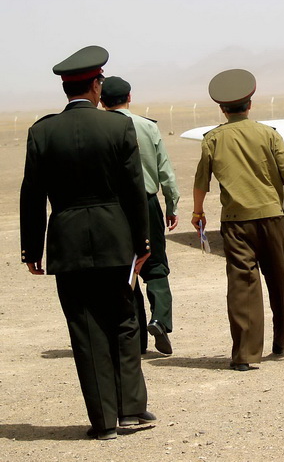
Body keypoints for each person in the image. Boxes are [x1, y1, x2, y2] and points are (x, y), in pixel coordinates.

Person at [20, 45, 156, 440]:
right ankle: (131, 409)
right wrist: (143, 242)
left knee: (85, 327)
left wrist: (32, 248)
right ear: (97, 86)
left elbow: (32, 195)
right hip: (116, 238)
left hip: (67, 242)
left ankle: (104, 421)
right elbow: (134, 190)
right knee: (126, 320)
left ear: (66, 88)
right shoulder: (117, 127)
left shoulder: (42, 132)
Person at [191, 68, 284, 371]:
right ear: (250, 105)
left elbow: (201, 182)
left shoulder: (213, 139)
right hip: (271, 216)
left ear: (222, 109)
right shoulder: (268, 134)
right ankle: (282, 336)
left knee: (242, 285)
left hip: (235, 222)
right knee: (278, 277)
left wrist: (198, 212)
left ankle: (245, 355)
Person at [100, 76, 180, 356]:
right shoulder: (147, 127)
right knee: (155, 265)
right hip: (146, 203)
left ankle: (135, 338)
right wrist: (171, 205)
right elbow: (165, 170)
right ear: (130, 97)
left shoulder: (100, 128)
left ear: (101, 101)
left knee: (126, 267)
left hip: (114, 208)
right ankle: (160, 319)